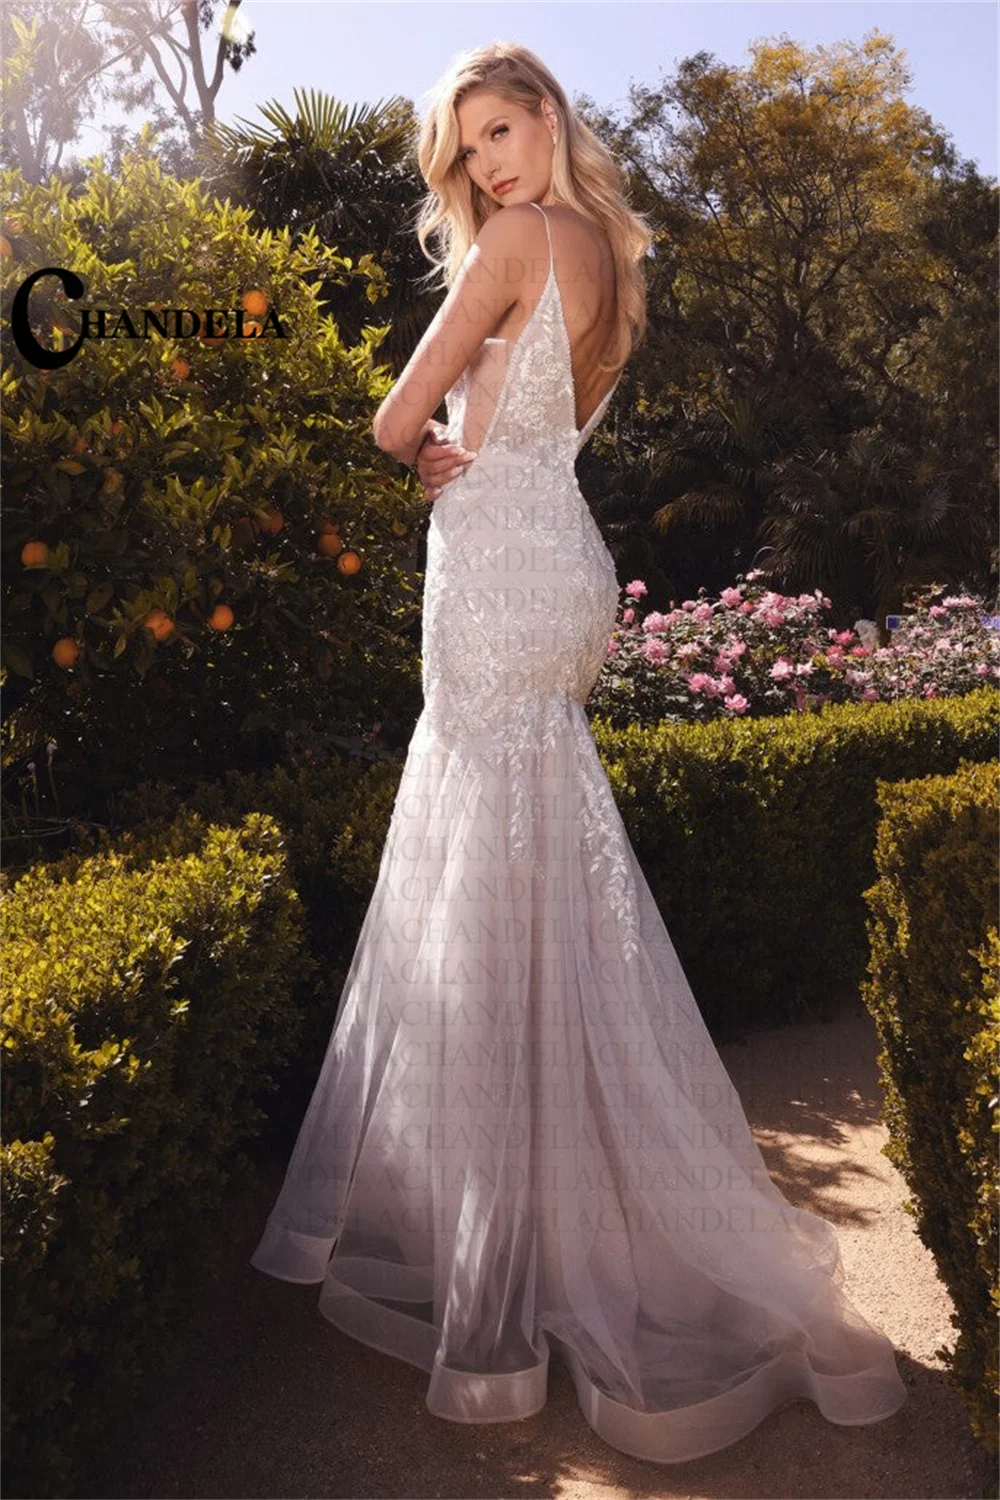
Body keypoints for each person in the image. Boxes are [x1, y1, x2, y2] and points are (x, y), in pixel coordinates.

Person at [250, 40, 908, 1464]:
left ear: (548, 117)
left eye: (499, 130)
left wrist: (426, 445)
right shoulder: (609, 253)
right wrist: (466, 438)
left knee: (481, 901)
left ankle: (502, 1283)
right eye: (466, 150)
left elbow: (392, 418)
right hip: (561, 560)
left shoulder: (516, 243)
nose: (483, 165)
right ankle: (552, 1219)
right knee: (534, 884)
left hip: (496, 566)